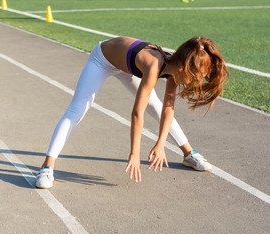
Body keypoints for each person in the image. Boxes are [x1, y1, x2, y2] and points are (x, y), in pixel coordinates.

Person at [35, 36, 228, 188]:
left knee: (158, 107)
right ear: (184, 67)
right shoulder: (155, 66)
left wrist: (160, 144)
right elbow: (137, 113)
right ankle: (47, 167)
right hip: (102, 59)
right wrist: (134, 154)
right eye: (196, 77)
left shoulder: (174, 67)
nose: (196, 82)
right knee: (77, 110)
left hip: (128, 67)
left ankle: (189, 154)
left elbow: (168, 108)